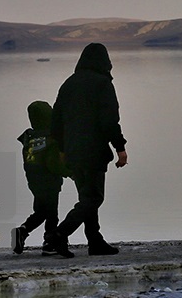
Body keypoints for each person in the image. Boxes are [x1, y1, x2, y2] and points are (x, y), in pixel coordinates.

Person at [47, 43, 128, 258]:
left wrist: (63, 150)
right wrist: (120, 147)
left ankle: (95, 241)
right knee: (93, 198)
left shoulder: (69, 84)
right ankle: (59, 234)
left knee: (86, 196)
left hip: (72, 151)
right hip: (93, 150)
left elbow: (56, 121)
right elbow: (110, 120)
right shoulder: (103, 84)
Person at [11, 100, 70, 255]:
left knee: (41, 211)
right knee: (51, 214)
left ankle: (22, 231)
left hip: (34, 181)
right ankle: (49, 244)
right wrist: (69, 172)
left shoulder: (29, 138)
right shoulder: (50, 139)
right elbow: (53, 164)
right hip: (49, 181)